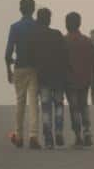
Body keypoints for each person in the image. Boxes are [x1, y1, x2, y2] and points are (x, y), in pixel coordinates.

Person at [5, 0, 40, 149]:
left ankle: (19, 136)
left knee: (20, 101)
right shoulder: (38, 26)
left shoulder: (15, 27)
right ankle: (33, 135)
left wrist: (8, 69)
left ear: (21, 9)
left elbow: (8, 52)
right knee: (33, 102)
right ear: (33, 10)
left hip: (19, 67)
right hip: (34, 68)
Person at [32, 8, 68, 149]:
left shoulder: (35, 37)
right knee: (59, 105)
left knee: (46, 107)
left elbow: (32, 58)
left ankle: (48, 138)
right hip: (58, 76)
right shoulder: (57, 34)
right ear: (49, 19)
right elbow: (65, 55)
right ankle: (58, 130)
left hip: (43, 77)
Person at [64, 12, 94, 148]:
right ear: (79, 23)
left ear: (67, 24)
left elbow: (60, 62)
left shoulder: (64, 41)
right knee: (83, 105)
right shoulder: (87, 41)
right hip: (85, 80)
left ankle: (78, 136)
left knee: (74, 108)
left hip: (70, 80)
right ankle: (87, 131)